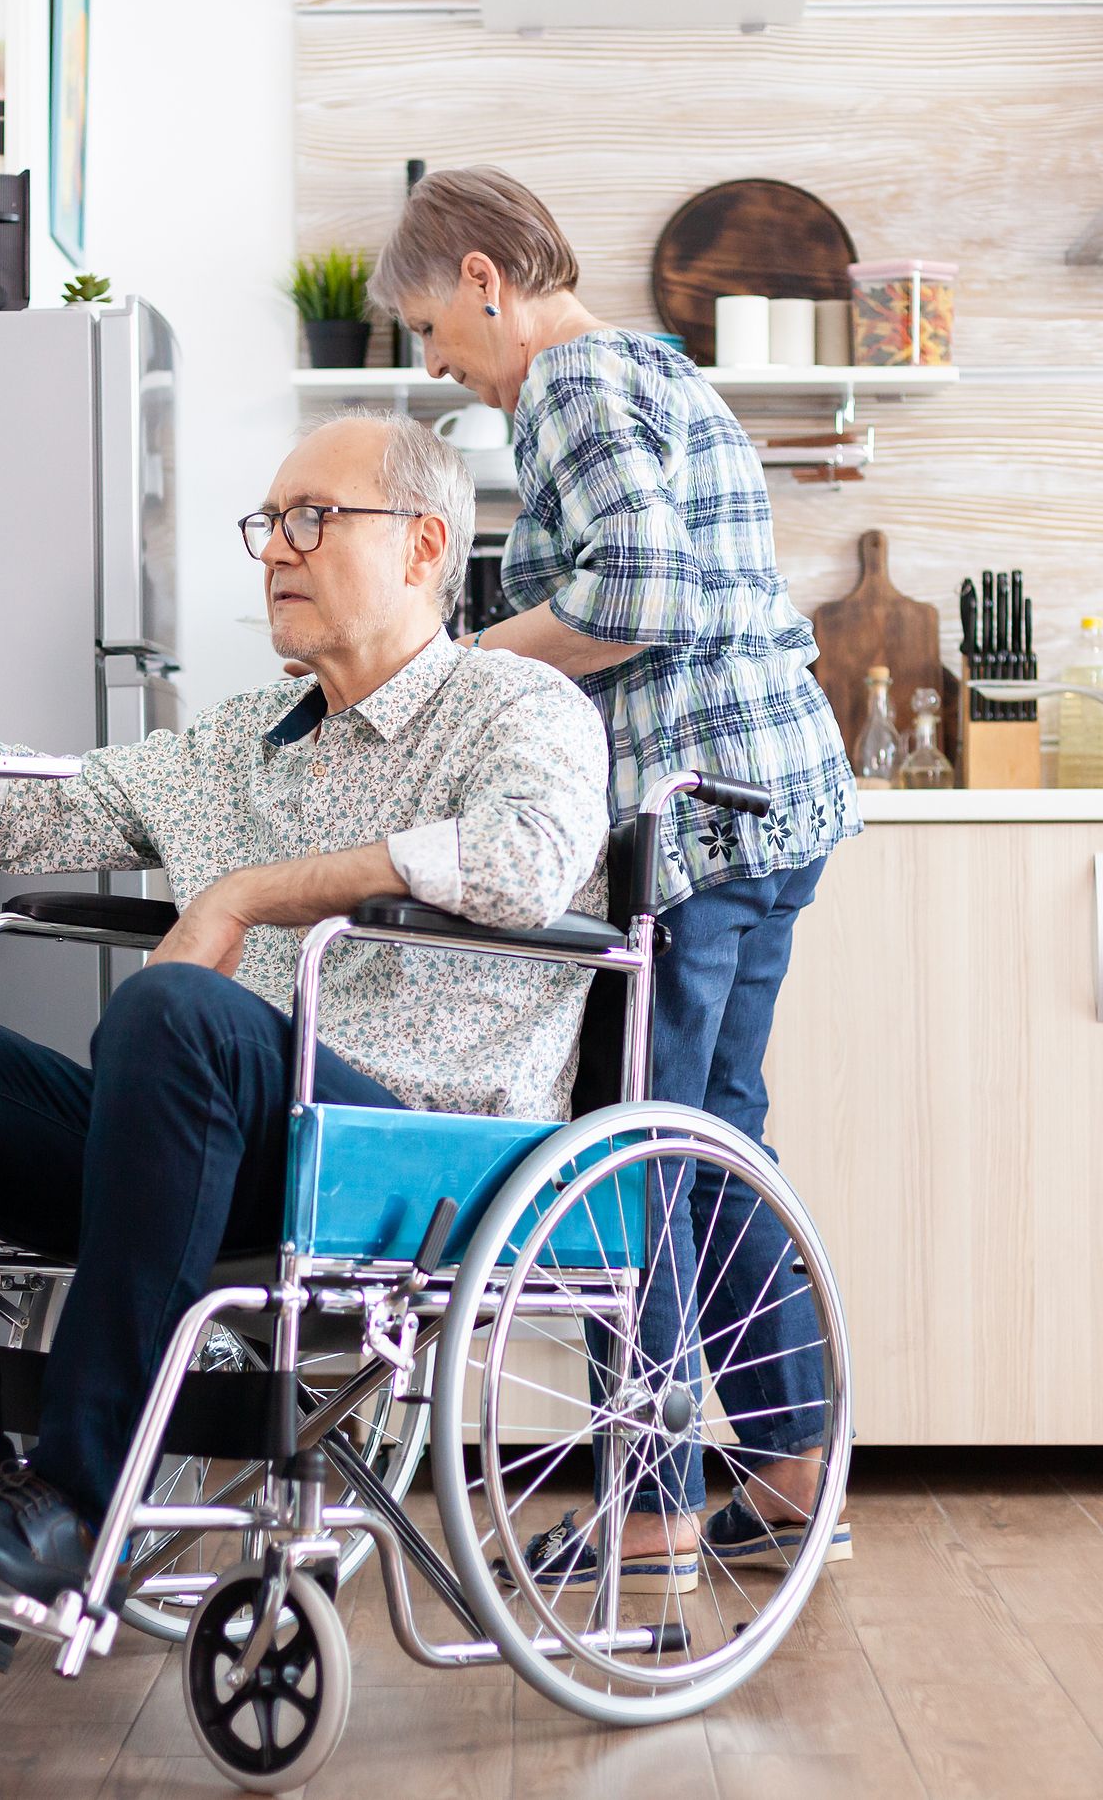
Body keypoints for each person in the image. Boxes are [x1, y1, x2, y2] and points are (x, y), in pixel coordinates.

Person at [0, 415, 609, 1667]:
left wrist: (250, 893)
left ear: (426, 545)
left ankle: (73, 1504)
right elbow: (64, 808)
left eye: (314, 518)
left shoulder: (514, 706)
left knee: (174, 1008)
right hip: (200, 1134)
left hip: (410, 1151)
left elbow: (528, 856)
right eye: (268, 524)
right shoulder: (238, 739)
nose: (277, 550)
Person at [373, 167, 859, 1583]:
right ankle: (783, 1460)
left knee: (628, 1145)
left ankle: (649, 1500)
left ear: (482, 278)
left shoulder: (569, 388)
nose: (436, 362)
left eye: (429, 326)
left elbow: (639, 597)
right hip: (772, 802)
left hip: (701, 822)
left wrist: (449, 664)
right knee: (713, 1142)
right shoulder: (652, 367)